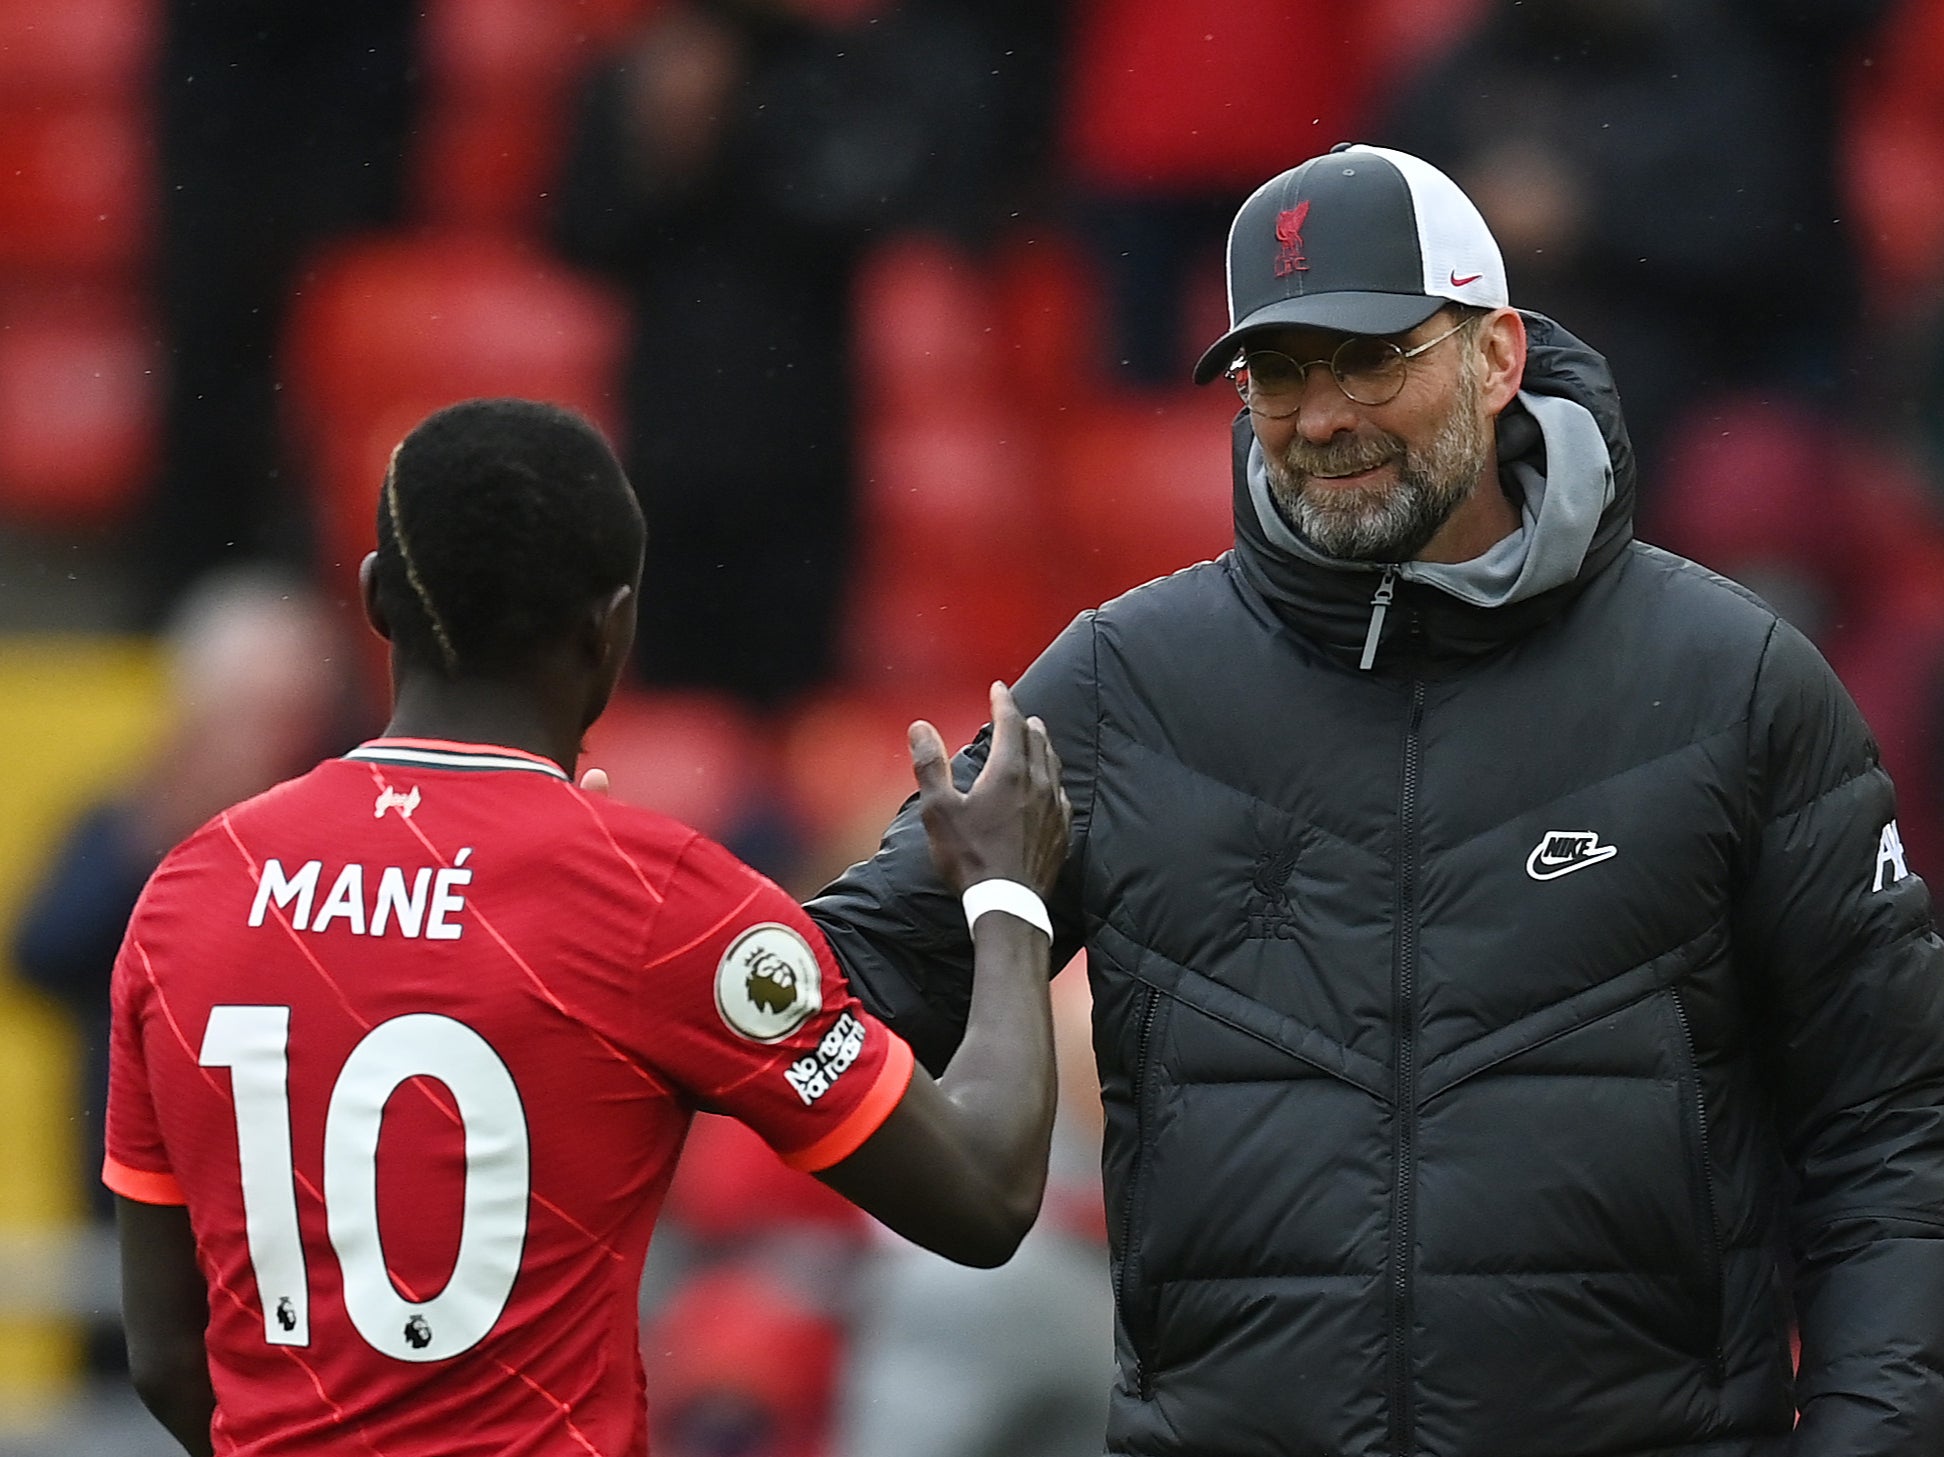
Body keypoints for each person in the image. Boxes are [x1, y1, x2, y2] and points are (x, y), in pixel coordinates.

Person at [807, 144, 1944, 1455]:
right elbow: (839, 979)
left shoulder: (1733, 684)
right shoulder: (1120, 687)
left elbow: (1888, 1127)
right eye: (1279, 373)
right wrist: (639, 894)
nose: (1321, 415)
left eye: (1370, 359)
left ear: (1498, 355)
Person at [103, 398, 1071, 1457]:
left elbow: (167, 1357)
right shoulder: (655, 900)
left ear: (376, 597)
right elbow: (984, 1194)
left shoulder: (189, 890)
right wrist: (1008, 896)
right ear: (612, 625)